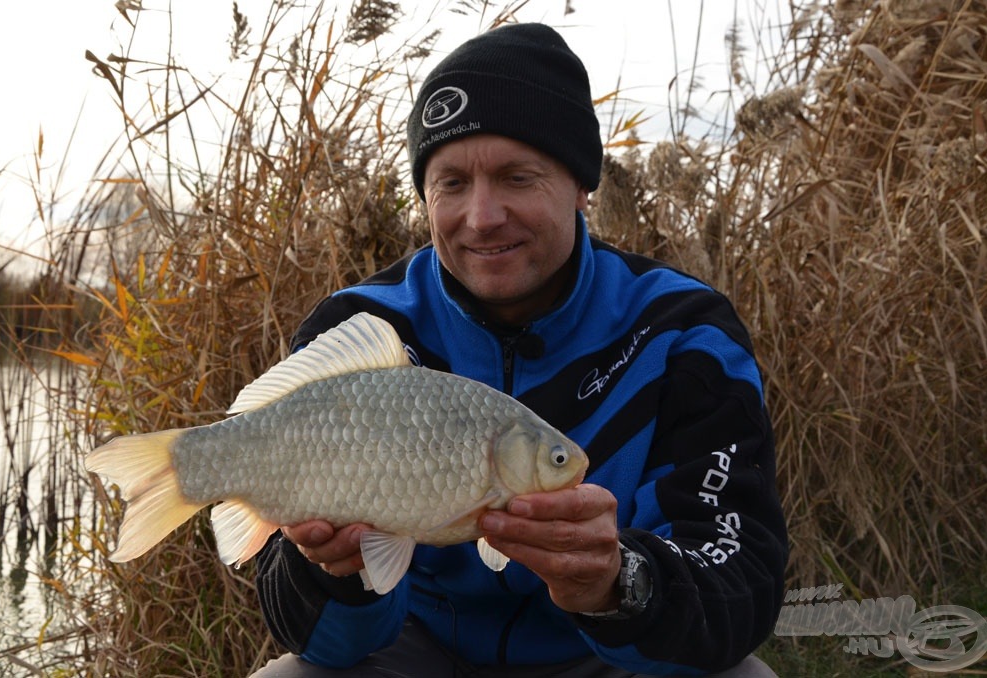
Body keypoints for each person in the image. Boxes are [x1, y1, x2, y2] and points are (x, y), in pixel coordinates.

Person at [250, 22, 788, 677]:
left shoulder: (681, 331)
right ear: (425, 195)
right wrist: (333, 573)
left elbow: (740, 575)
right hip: (415, 650)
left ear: (581, 184)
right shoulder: (357, 329)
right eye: (451, 183)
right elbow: (312, 637)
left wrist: (622, 583)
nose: (482, 216)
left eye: (516, 176)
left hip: (606, 656)